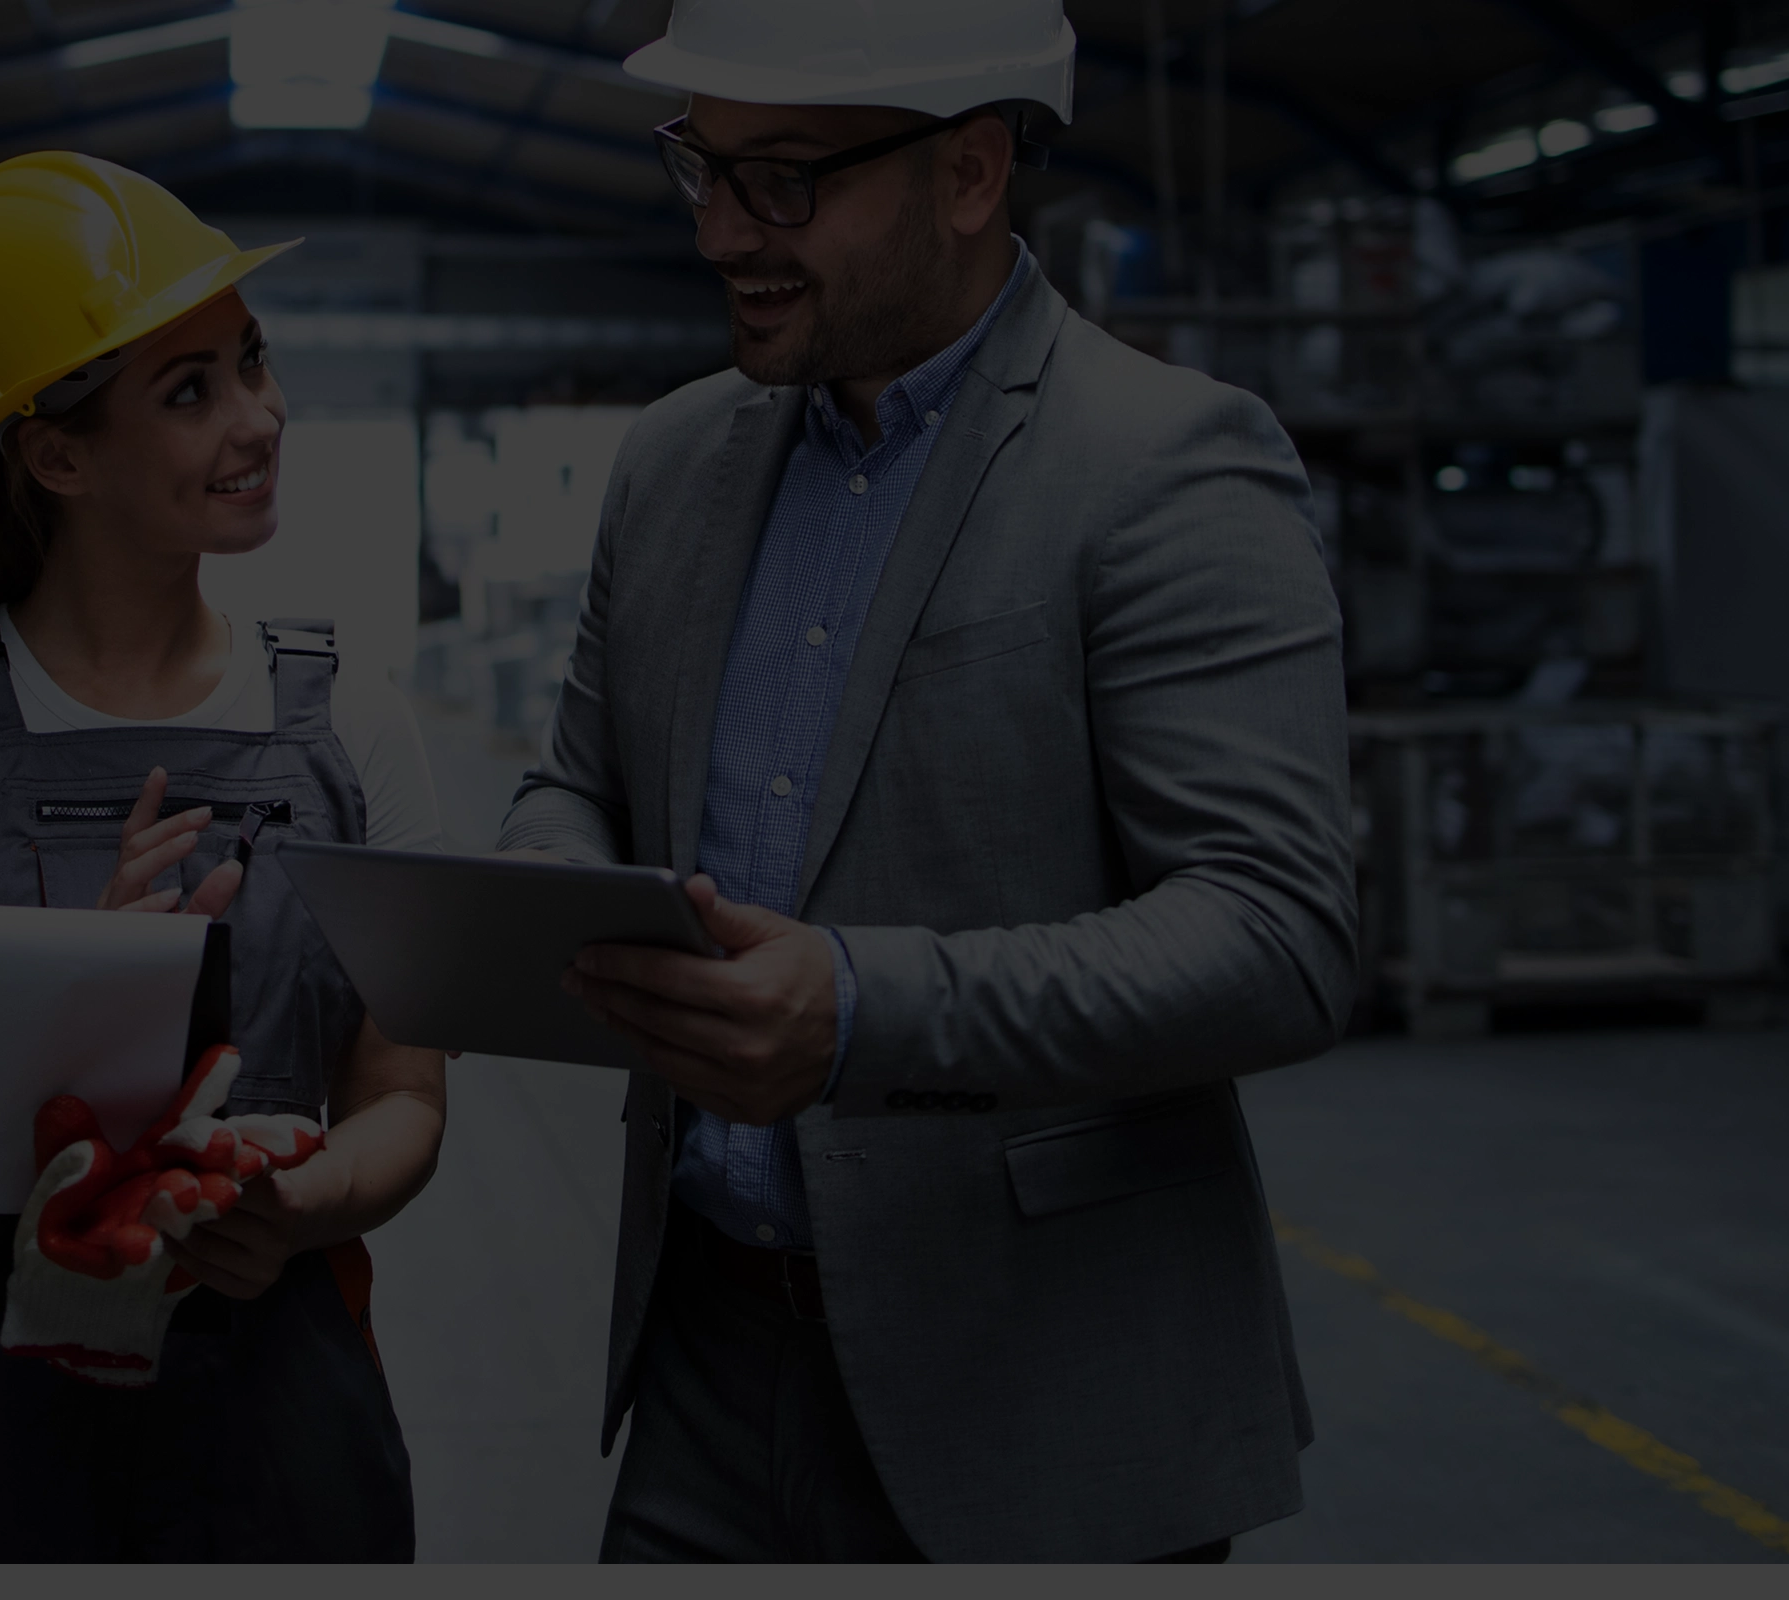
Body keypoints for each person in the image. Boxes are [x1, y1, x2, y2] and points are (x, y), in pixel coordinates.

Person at [501, 0, 1358, 1564]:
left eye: (784, 181)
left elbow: (1277, 936)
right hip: (706, 1363)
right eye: (702, 167)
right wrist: (559, 890)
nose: (721, 236)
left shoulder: (1164, 465)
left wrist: (859, 1014)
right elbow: (575, 784)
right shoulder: (677, 463)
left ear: (970, 172)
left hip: (1039, 1393)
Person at [0, 151, 447, 1562]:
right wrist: (74, 1007)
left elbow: (407, 1099)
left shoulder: (351, 726)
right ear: (54, 452)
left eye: (250, 363)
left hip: (276, 1439)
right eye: (189, 392)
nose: (260, 419)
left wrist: (300, 1201)